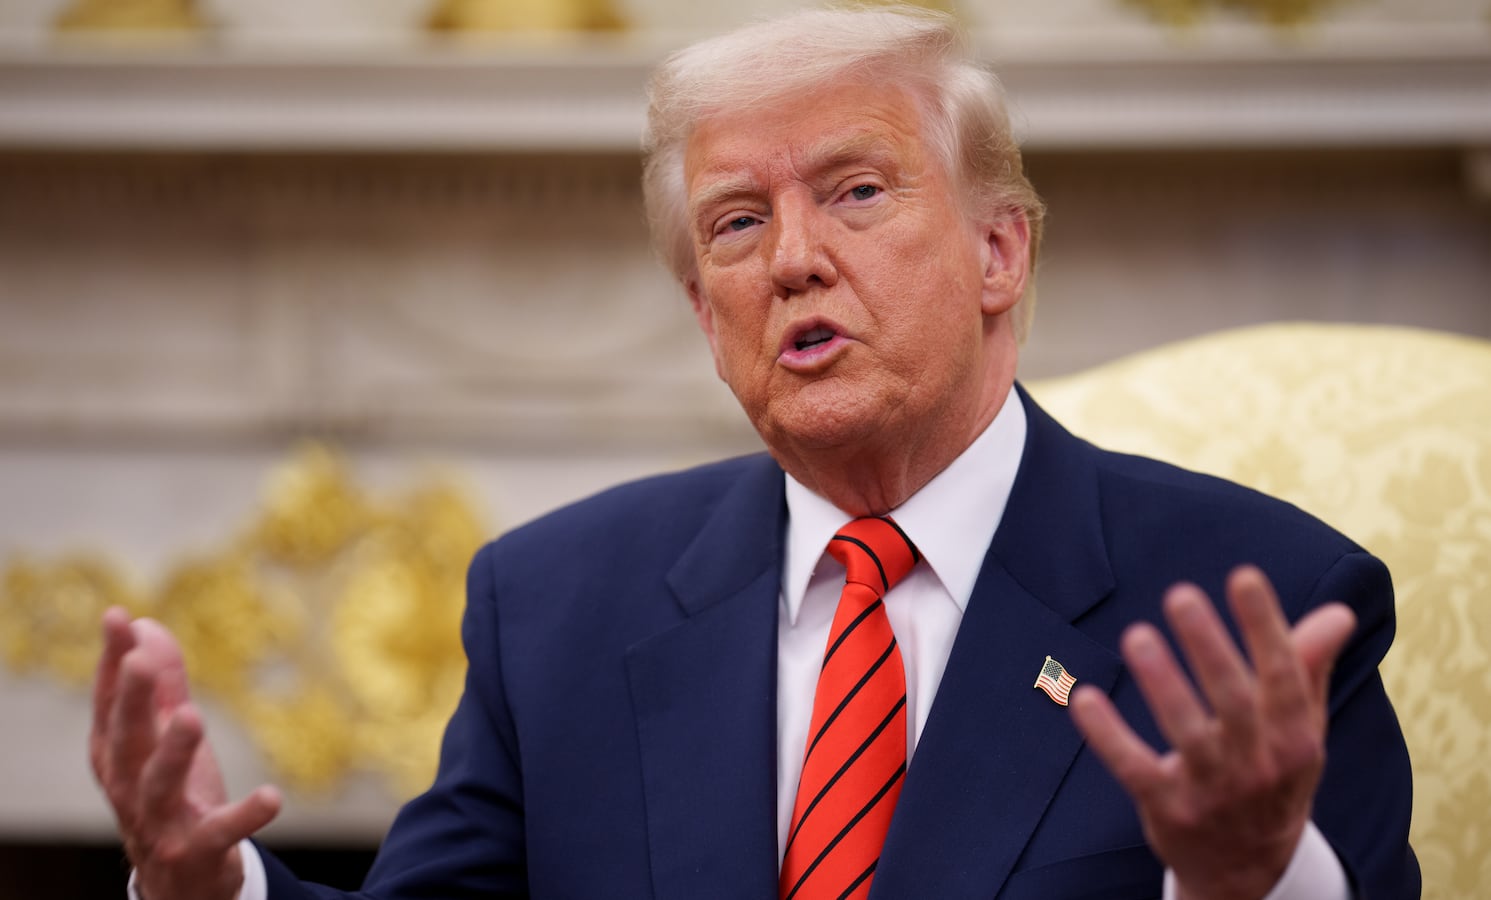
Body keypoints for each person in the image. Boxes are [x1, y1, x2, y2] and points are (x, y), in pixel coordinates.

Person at [90, 7, 1422, 899]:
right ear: (701, 311)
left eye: (856, 191)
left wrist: (1252, 881)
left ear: (999, 251)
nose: (791, 260)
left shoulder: (1268, 606)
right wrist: (214, 891)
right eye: (735, 225)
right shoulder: (555, 606)